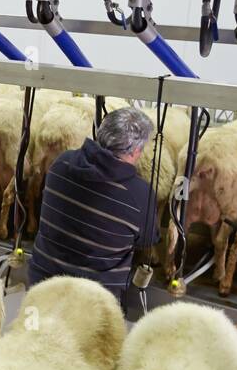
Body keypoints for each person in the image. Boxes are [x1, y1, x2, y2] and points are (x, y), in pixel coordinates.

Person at [28, 106, 160, 303]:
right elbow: (147, 239)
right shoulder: (140, 194)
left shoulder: (62, 163)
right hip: (94, 300)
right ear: (136, 151)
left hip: (42, 283)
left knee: (38, 331)